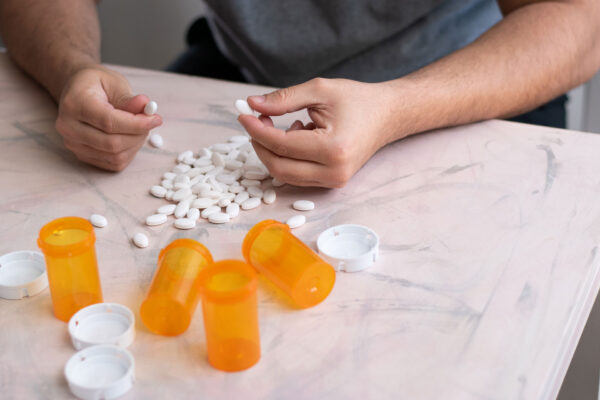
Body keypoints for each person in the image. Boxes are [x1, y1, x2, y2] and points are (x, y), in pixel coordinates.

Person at [0, 1, 599, 188]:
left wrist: (395, 109)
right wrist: (70, 67)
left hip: (470, 76)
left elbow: (578, 17)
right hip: (241, 66)